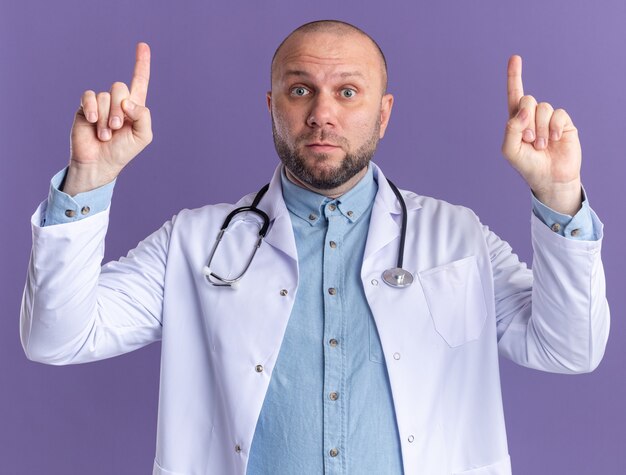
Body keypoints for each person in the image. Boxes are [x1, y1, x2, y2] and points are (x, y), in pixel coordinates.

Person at [21, 20, 609, 475]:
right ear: (272, 105)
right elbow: (57, 338)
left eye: (348, 92)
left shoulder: (459, 239)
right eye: (300, 89)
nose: (322, 114)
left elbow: (571, 349)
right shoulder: (195, 241)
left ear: (383, 115)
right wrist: (89, 182)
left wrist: (558, 195)